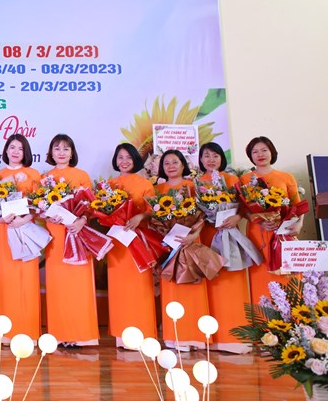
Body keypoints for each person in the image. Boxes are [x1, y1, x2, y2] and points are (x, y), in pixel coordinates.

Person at [42, 134, 99, 346]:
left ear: (72, 153)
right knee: (58, 284)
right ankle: (59, 334)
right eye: (57, 148)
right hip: (56, 235)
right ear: (51, 152)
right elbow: (40, 207)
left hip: (77, 232)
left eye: (66, 149)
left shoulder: (82, 175)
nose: (61, 153)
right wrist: (48, 216)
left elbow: (91, 205)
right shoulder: (45, 178)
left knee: (79, 284)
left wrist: (82, 220)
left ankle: (83, 336)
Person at [196, 142, 250, 353]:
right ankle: (213, 337)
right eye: (206, 155)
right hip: (208, 235)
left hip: (230, 234)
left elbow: (244, 205)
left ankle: (236, 336)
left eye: (215, 155)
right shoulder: (196, 182)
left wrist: (237, 217)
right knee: (212, 282)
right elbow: (194, 212)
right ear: (200, 159)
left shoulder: (232, 180)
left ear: (222, 158)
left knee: (232, 281)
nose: (211, 160)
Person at [239, 136, 307, 302]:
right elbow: (242, 210)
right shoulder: (245, 180)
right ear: (250, 156)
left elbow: (298, 205)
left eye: (264, 150)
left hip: (284, 233)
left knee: (288, 276)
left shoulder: (286, 177)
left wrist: (299, 225)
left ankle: (293, 315)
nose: (260, 154)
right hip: (258, 234)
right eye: (255, 152)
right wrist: (260, 220)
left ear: (272, 152)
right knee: (260, 275)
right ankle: (263, 315)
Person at [0, 134, 42, 341]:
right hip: (4, 230)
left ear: (25, 152)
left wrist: (24, 219)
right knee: (6, 279)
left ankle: (29, 331)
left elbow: (40, 204)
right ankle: (5, 334)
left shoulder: (34, 174)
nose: (15, 151)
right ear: (6, 150)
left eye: (20, 149)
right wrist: (1, 217)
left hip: (25, 229)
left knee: (26, 280)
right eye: (12, 147)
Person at [156, 149, 207, 350]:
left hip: (191, 241)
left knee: (193, 286)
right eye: (166, 163)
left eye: (175, 162)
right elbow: (154, 218)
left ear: (183, 164)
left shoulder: (193, 186)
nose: (171, 166)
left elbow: (203, 215)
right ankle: (174, 336)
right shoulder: (158, 190)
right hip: (169, 245)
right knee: (172, 288)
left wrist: (193, 235)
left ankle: (196, 337)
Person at [107, 143, 156, 345]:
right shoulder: (109, 185)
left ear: (135, 159)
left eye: (128, 157)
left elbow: (153, 210)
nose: (124, 161)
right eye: (120, 157)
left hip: (137, 240)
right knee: (119, 287)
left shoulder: (145, 184)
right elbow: (99, 210)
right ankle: (121, 335)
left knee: (139, 287)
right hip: (117, 242)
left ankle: (144, 331)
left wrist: (140, 217)